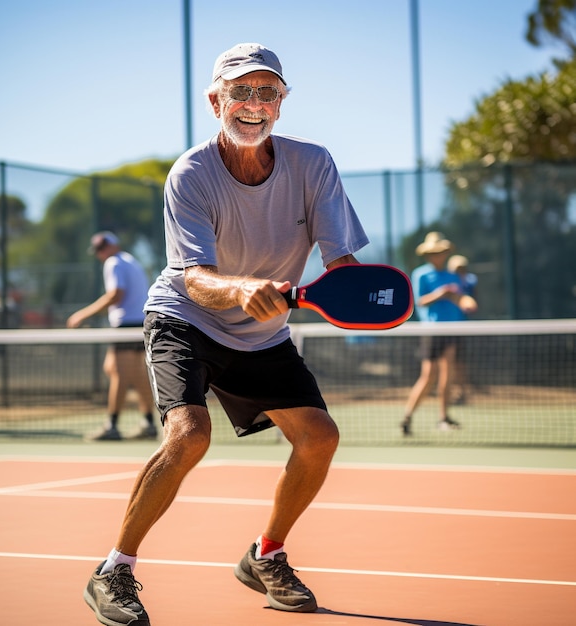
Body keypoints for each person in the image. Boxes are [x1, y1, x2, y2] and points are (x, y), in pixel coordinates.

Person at [83, 42, 369, 625]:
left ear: (282, 103)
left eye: (268, 92)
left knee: (319, 438)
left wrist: (353, 292)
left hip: (262, 332)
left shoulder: (314, 164)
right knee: (189, 434)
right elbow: (194, 278)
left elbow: (341, 263)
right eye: (241, 92)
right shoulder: (191, 173)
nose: (254, 104)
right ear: (216, 100)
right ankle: (114, 569)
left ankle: (266, 555)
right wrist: (240, 289)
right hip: (187, 316)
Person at [67, 231, 158, 441]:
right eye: (98, 250)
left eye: (102, 248)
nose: (100, 254)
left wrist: (83, 314)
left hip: (126, 325)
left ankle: (112, 426)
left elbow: (116, 294)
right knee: (127, 372)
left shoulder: (114, 263)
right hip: (138, 324)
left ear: (112, 246)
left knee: (118, 372)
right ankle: (149, 423)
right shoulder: (131, 261)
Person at [401, 232, 477, 436]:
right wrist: (441, 294)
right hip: (432, 330)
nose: (437, 255)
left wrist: (466, 302)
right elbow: (420, 301)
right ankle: (407, 417)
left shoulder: (453, 277)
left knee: (447, 375)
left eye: (441, 252)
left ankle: (443, 418)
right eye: (433, 252)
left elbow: (460, 299)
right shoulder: (421, 274)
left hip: (453, 329)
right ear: (427, 255)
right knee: (428, 376)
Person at [447, 254, 479, 404]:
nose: (459, 271)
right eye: (456, 269)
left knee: (459, 362)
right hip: (445, 328)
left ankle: (461, 392)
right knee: (448, 364)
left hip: (461, 327)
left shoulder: (469, 281)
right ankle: (453, 392)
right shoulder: (448, 280)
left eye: (461, 268)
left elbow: (470, 301)